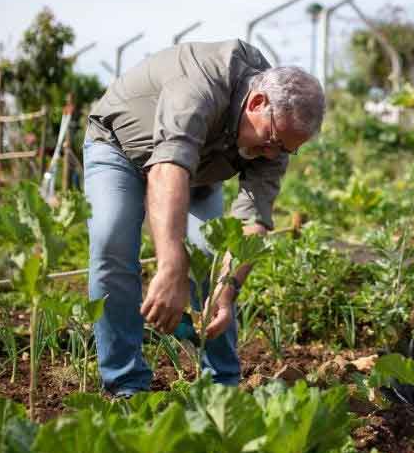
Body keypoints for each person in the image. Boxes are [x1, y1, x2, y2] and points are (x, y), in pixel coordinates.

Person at [82, 39, 325, 395]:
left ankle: (221, 388)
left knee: (210, 258)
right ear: (257, 103)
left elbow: (251, 222)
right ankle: (126, 386)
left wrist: (226, 294)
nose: (273, 153)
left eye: (285, 149)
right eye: (272, 140)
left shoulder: (276, 138)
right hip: (120, 148)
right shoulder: (200, 83)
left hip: (199, 171)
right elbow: (168, 169)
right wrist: (170, 266)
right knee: (112, 241)